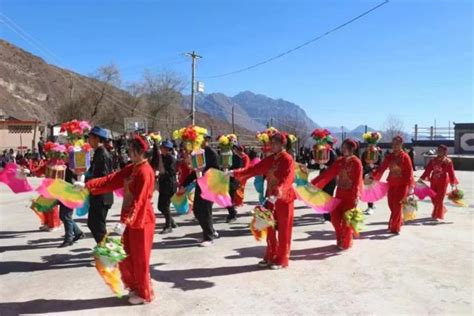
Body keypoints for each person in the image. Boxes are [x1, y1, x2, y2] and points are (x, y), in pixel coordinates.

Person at [85, 136, 156, 305]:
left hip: (142, 220)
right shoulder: (132, 168)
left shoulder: (145, 172)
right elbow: (111, 179)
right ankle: (135, 286)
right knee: (125, 255)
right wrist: (88, 185)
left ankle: (145, 293)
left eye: (131, 150)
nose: (128, 153)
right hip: (129, 218)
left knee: (140, 259)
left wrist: (125, 221)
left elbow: (140, 200)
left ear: (139, 152)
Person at [231, 132, 296, 269]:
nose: (271, 146)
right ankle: (271, 255)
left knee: (284, 230)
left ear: (282, 144)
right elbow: (254, 169)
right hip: (270, 198)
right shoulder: (272, 159)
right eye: (271, 143)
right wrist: (235, 173)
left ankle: (281, 259)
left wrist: (279, 191)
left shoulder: (287, 159)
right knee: (269, 227)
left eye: (274, 143)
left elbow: (288, 178)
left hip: (284, 199)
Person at [311, 139, 363, 250]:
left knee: (346, 220)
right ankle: (340, 237)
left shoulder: (356, 162)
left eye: (345, 147)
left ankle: (345, 241)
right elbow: (328, 174)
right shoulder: (340, 161)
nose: (343, 149)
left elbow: (358, 180)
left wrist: (357, 195)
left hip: (350, 196)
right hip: (339, 194)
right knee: (334, 218)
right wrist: (314, 184)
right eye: (342, 147)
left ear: (352, 149)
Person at [182, 134, 219, 247]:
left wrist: (203, 172)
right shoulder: (198, 152)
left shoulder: (211, 152)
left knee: (205, 211)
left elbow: (216, 169)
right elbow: (195, 171)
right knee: (198, 210)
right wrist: (185, 183)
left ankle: (209, 237)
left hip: (210, 184)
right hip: (200, 184)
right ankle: (210, 231)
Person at [372, 136, 414, 234]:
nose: (395, 146)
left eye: (397, 144)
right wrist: (374, 176)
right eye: (393, 144)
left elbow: (409, 172)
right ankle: (398, 221)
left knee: (397, 206)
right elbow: (382, 168)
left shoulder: (405, 157)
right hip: (391, 184)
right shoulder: (390, 156)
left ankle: (395, 228)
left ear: (401, 144)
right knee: (391, 205)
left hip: (402, 185)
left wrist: (411, 186)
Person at [86, 126, 114, 243]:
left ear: (97, 139)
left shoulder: (102, 154)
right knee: (94, 224)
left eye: (90, 138)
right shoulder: (98, 153)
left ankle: (108, 253)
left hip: (102, 197)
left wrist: (90, 180)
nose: (88, 141)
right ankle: (104, 251)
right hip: (97, 195)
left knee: (98, 226)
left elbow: (104, 177)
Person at [420, 144, 458, 221]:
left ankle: (437, 215)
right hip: (433, 181)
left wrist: (452, 181)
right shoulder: (433, 161)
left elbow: (451, 172)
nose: (439, 152)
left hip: (443, 181)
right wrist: (422, 178)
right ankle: (442, 209)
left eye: (441, 150)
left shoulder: (448, 161)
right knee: (433, 197)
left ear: (444, 152)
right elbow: (427, 170)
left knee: (439, 199)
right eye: (438, 150)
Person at [58, 165, 84, 248]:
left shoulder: (75, 164)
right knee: (63, 216)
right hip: (63, 192)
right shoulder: (64, 165)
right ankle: (78, 232)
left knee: (66, 216)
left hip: (71, 192)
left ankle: (69, 239)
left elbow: (79, 177)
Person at [155, 140, 178, 233]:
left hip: (169, 185)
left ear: (167, 149)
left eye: (162, 148)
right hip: (163, 184)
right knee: (161, 206)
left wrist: (162, 173)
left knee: (165, 206)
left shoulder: (171, 158)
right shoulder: (162, 157)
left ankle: (168, 226)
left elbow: (172, 172)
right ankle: (171, 221)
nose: (161, 149)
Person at [318, 140, 337, 222]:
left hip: (331, 178)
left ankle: (329, 216)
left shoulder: (332, 153)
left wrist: (325, 167)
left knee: (328, 196)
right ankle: (326, 215)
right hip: (323, 177)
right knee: (323, 196)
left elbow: (335, 165)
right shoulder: (322, 152)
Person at [361, 148, 382, 215]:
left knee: (371, 190)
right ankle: (370, 205)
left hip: (373, 173)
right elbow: (362, 162)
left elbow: (380, 164)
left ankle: (370, 206)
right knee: (368, 190)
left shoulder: (377, 153)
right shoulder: (365, 152)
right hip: (366, 173)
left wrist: (374, 167)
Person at [225, 147, 243, 223]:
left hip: (233, 180)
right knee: (228, 198)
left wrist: (229, 169)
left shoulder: (237, 158)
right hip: (226, 180)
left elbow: (238, 169)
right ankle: (232, 212)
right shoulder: (224, 157)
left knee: (228, 198)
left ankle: (232, 214)